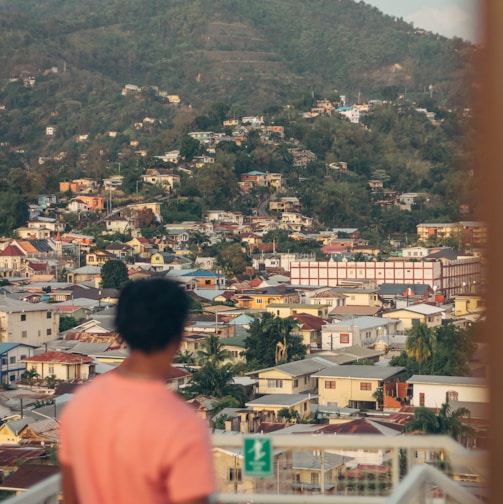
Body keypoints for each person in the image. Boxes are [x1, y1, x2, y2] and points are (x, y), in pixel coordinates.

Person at [58, 278, 216, 504]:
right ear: (180, 335)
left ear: (121, 331)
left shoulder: (82, 403)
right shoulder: (181, 423)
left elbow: (72, 496)